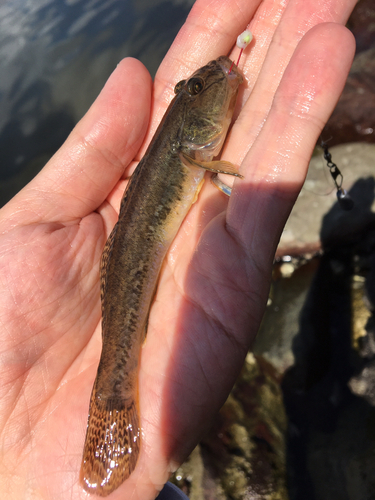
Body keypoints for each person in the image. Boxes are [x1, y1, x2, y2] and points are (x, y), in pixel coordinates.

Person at [0, 0, 356, 498]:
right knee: (124, 340)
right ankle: (115, 397)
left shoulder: (194, 147)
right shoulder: (191, 150)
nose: (211, 83)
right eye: (194, 90)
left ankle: (113, 405)